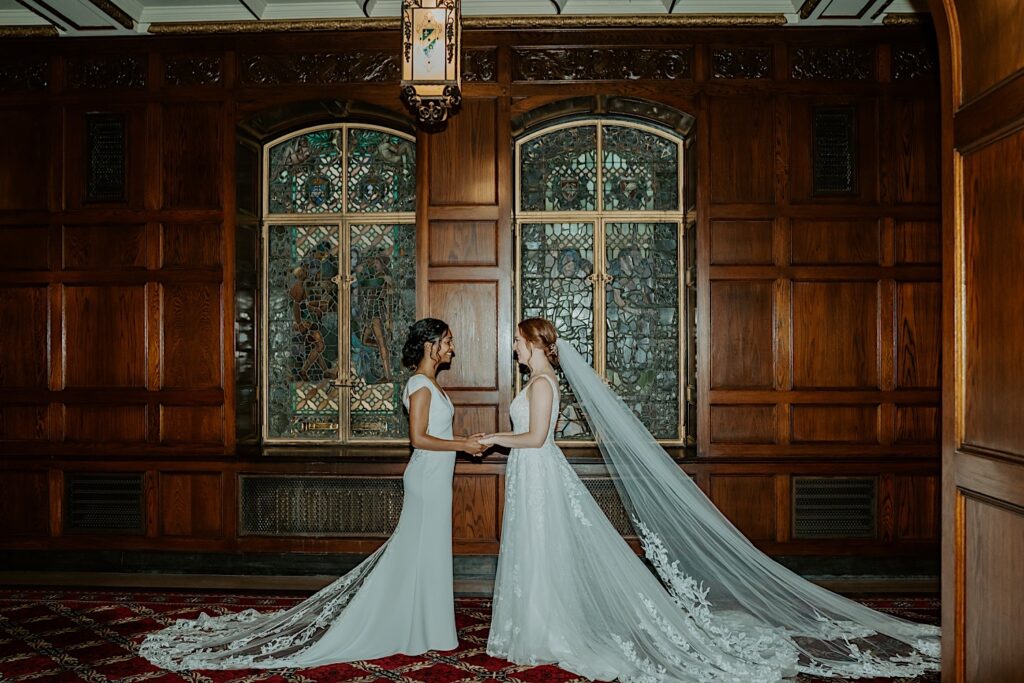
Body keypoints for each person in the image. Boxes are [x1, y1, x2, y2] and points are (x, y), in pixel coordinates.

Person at [480, 317, 940, 682]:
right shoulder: (535, 382)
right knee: (537, 552)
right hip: (532, 475)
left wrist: (492, 437)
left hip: (539, 471)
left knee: (543, 549)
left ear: (534, 343)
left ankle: (546, 629)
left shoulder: (542, 384)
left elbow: (538, 437)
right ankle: (536, 626)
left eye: (518, 341)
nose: (514, 347)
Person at [139, 318, 484, 670]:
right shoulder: (421, 386)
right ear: (430, 345)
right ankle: (408, 624)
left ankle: (426, 627)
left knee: (427, 551)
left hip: (437, 479)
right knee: (417, 549)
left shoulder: (430, 383)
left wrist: (463, 444)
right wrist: (464, 444)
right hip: (426, 479)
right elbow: (419, 439)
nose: (451, 347)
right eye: (447, 341)